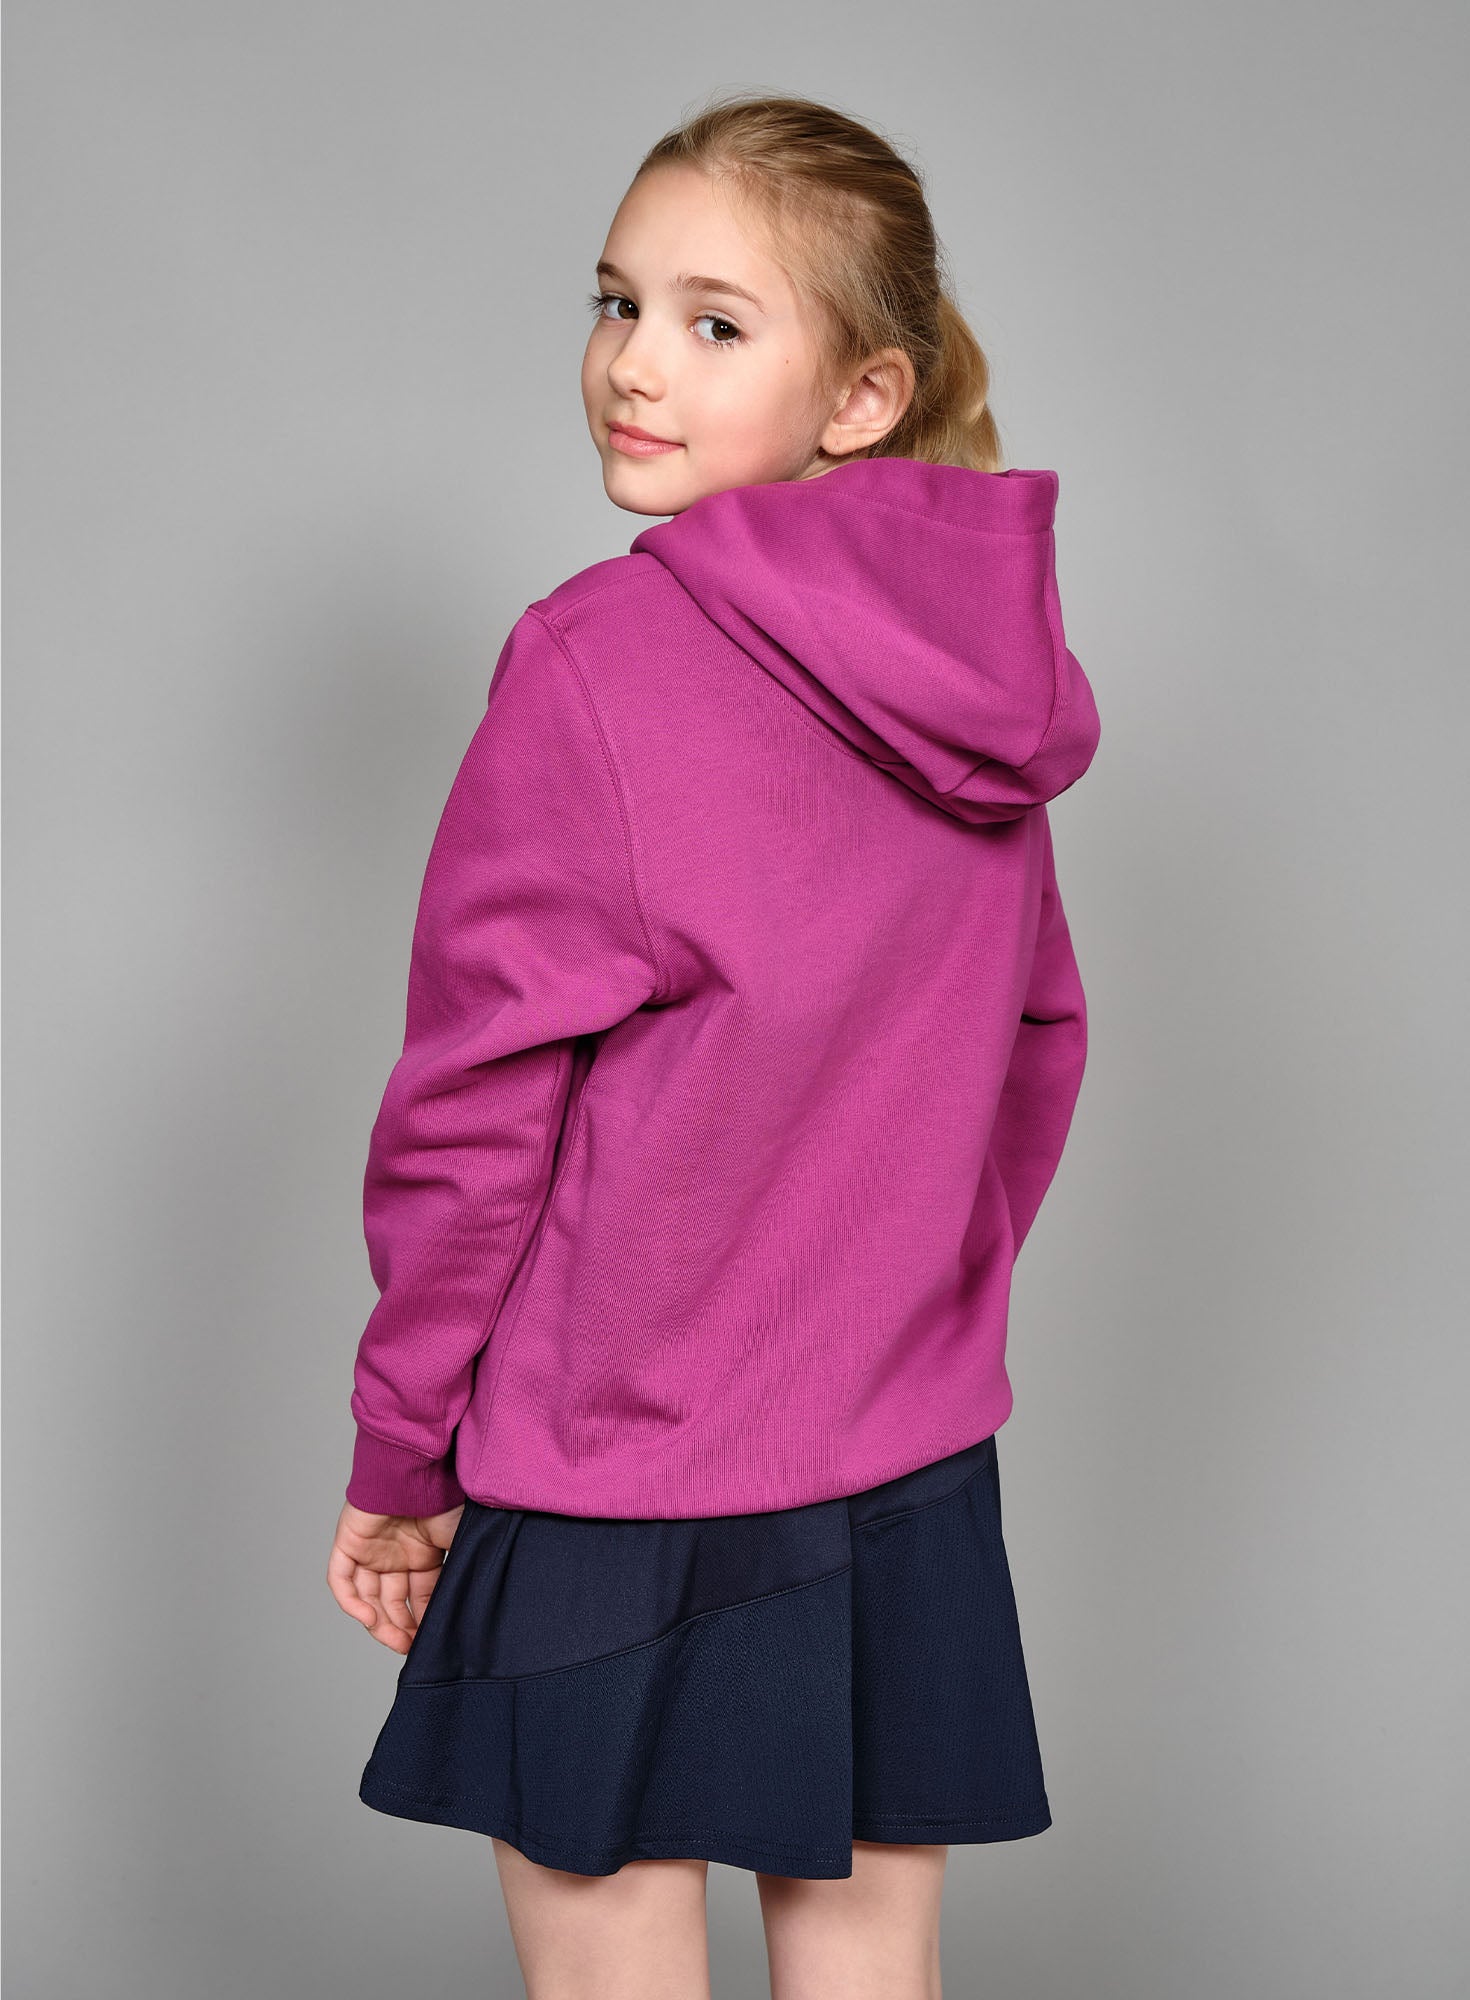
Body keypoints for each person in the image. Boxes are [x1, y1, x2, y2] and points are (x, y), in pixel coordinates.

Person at [326, 90, 1101, 2000]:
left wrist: (402, 1445)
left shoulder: (593, 662)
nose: (632, 364)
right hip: (901, 1454)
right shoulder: (984, 684)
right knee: (871, 1975)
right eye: (617, 301)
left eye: (714, 321)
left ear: (864, 393)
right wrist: (900, 1296)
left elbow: (472, 1116)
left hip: (614, 1463)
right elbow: (1032, 1044)